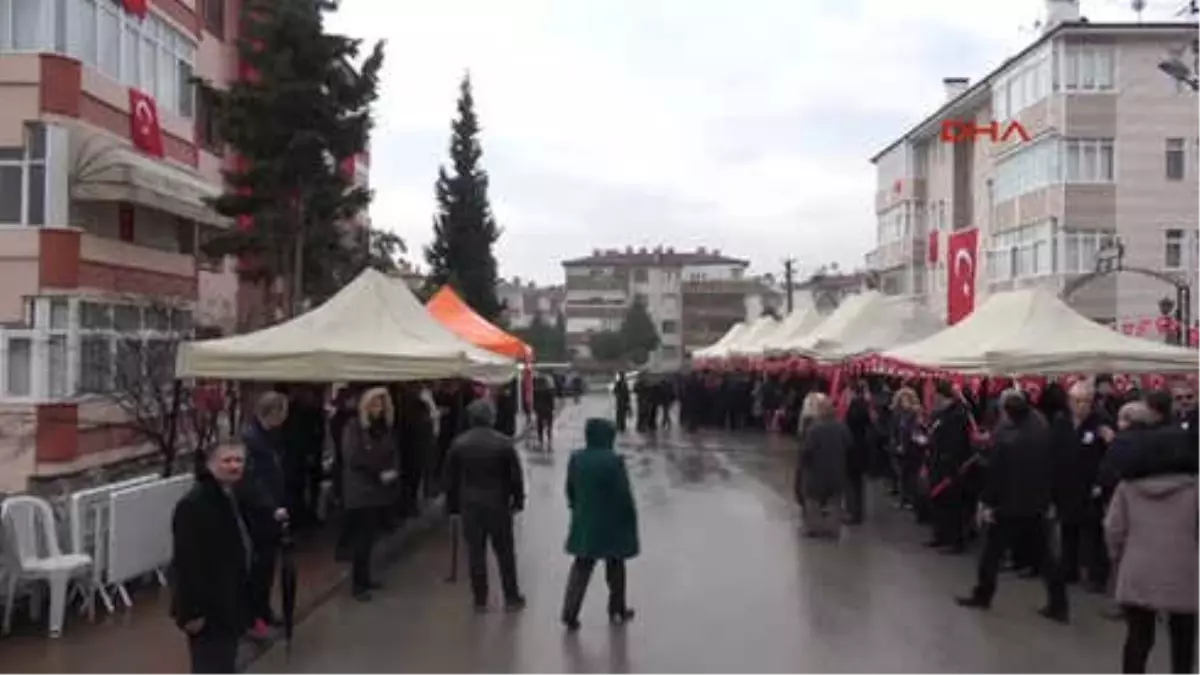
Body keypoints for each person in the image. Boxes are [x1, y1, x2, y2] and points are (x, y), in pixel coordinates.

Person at [957, 390, 1068, 623]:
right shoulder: (1040, 426)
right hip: (1035, 504)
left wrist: (986, 503)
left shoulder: (1007, 438)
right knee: (1045, 557)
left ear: (1006, 412)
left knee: (991, 554)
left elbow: (997, 474)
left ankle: (983, 595)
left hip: (1007, 506)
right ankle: (1059, 604)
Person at [1106, 416, 1200, 675]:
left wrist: (1118, 557)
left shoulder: (1128, 488)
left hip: (1138, 568)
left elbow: (1113, 529)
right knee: (1183, 636)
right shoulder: (1194, 489)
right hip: (1184, 570)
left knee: (1138, 637)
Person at [171, 444, 254, 675]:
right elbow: (187, 562)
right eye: (226, 461)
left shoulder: (228, 495)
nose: (234, 466)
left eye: (239, 460)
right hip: (208, 612)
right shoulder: (194, 505)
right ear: (210, 464)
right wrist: (192, 612)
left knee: (226, 664)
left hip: (229, 604)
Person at [444, 399, 527, 612]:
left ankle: (480, 599)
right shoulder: (503, 443)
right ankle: (511, 597)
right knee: (505, 553)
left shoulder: (459, 443)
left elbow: (450, 480)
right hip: (498, 503)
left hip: (470, 504)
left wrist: (452, 508)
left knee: (476, 553)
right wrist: (518, 501)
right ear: (491, 417)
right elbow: (515, 478)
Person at [560, 418, 639, 631]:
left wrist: (577, 507)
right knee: (615, 567)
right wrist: (629, 519)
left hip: (585, 520)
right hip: (611, 522)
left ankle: (569, 612)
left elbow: (570, 489)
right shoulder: (613, 460)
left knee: (581, 567)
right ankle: (617, 609)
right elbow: (623, 495)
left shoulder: (576, 458)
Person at [1051, 380, 1112, 591]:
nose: (1081, 406)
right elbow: (1054, 451)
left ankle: (1097, 577)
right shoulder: (1061, 421)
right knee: (1068, 529)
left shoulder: (1101, 423)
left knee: (1093, 534)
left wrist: (1100, 483)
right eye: (1077, 401)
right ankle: (1069, 569)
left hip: (1090, 487)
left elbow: (1109, 457)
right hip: (1065, 485)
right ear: (1069, 402)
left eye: (1086, 401)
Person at [340, 387, 399, 601]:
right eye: (375, 404)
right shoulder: (354, 427)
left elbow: (392, 451)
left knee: (371, 537)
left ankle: (366, 578)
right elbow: (354, 457)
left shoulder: (384, 428)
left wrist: (392, 470)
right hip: (361, 491)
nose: (379, 408)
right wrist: (379, 472)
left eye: (382, 404)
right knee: (361, 539)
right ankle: (358, 584)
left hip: (379, 491)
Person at [240, 391, 290, 639]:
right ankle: (251, 616)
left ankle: (263, 610)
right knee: (258, 567)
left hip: (270, 512)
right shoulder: (251, 438)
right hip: (258, 514)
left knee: (268, 565)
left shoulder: (268, 436)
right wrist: (271, 506)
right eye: (282, 413)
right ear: (272, 412)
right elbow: (250, 480)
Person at [796, 393, 852, 539]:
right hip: (836, 471)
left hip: (816, 473)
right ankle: (832, 530)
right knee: (834, 502)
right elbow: (850, 447)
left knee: (813, 501)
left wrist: (803, 466)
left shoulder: (814, 429)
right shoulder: (842, 428)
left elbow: (806, 451)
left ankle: (813, 529)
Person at [534, 374, 556, 447]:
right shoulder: (549, 391)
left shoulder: (536, 391)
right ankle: (549, 439)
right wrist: (552, 408)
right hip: (548, 410)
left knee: (540, 426)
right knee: (549, 426)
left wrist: (535, 409)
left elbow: (535, 401)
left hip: (540, 410)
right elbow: (551, 402)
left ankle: (540, 440)